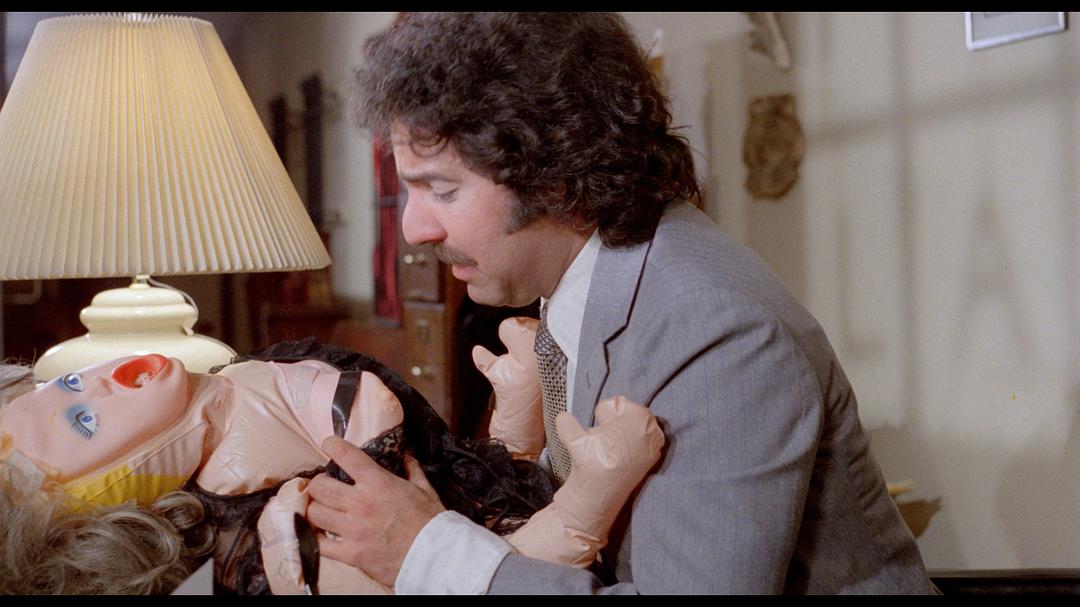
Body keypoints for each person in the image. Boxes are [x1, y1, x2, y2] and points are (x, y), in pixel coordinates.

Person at [303, 12, 939, 594]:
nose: (414, 229)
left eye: (441, 190)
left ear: (554, 171)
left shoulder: (716, 329)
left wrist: (429, 554)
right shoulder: (586, 280)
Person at [0, 333, 661, 594]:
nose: (101, 381)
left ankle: (516, 425)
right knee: (482, 554)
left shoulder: (235, 381)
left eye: (68, 384)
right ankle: (586, 501)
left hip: (428, 481)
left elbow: (448, 470)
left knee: (466, 478)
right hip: (455, 553)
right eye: (84, 421)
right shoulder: (267, 540)